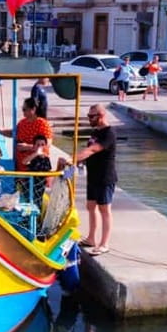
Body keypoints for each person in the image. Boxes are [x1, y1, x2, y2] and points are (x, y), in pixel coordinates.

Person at [73, 104, 116, 256]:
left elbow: (91, 150)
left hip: (105, 177)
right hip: (93, 175)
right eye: (88, 116)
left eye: (92, 116)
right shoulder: (95, 132)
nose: (89, 119)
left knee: (104, 209)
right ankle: (91, 238)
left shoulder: (109, 134)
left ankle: (104, 244)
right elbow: (89, 153)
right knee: (91, 206)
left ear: (101, 115)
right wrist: (80, 161)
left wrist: (72, 159)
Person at [0, 97, 53, 172]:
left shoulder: (43, 124)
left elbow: (47, 144)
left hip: (37, 167)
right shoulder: (22, 123)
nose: (23, 111)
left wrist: (26, 147)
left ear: (33, 109)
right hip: (20, 166)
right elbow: (12, 133)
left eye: (24, 109)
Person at [21, 134, 52, 210]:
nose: (40, 146)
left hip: (40, 185)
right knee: (29, 203)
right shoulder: (32, 157)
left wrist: (49, 182)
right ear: (34, 146)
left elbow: (49, 171)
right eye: (38, 145)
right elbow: (24, 162)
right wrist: (36, 153)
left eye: (42, 144)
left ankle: (37, 216)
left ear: (45, 146)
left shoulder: (46, 159)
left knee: (38, 203)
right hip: (30, 185)